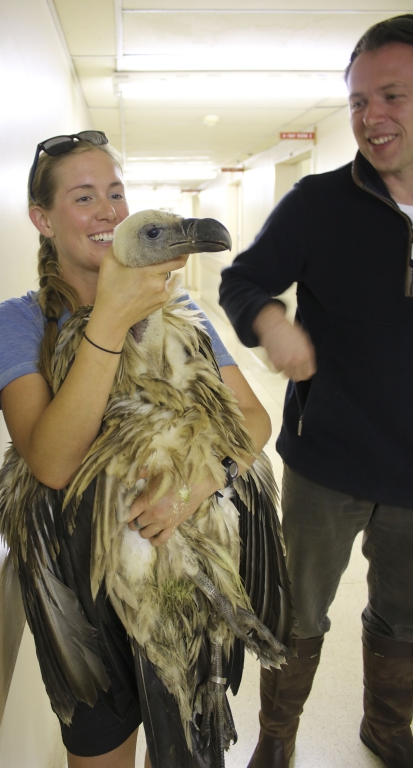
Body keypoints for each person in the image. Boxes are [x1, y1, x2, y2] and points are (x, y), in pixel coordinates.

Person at [0, 131, 272, 768]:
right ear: (44, 219)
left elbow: (253, 420)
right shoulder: (18, 323)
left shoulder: (183, 312)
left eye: (115, 193)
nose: (108, 210)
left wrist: (202, 479)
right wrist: (109, 320)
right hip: (78, 583)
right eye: (84, 197)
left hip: (186, 573)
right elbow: (52, 462)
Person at [219, 14, 413, 768]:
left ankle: (387, 729)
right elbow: (243, 280)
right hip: (324, 461)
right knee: (296, 616)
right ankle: (277, 739)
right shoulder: (318, 204)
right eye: (360, 101)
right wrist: (270, 320)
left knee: (402, 618)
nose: (372, 117)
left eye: (393, 96)